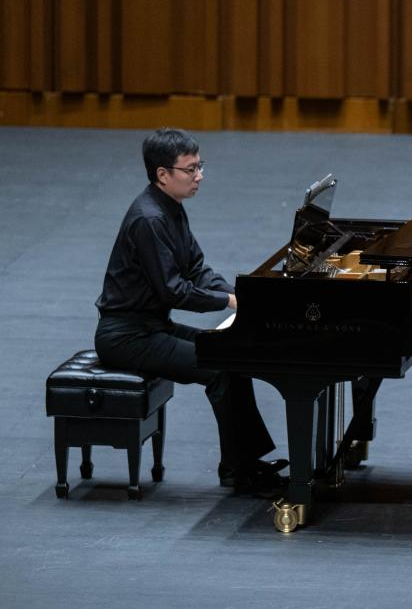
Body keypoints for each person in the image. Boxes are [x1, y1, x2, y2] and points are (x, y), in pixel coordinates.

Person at [94, 128, 287, 495]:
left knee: (231, 356)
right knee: (218, 369)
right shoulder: (149, 220)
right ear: (162, 174)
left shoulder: (171, 209)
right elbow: (173, 290)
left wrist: (239, 295)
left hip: (152, 326)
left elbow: (197, 269)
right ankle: (239, 471)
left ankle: (244, 463)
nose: (199, 176)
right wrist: (227, 302)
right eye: (191, 169)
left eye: (200, 166)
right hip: (125, 337)